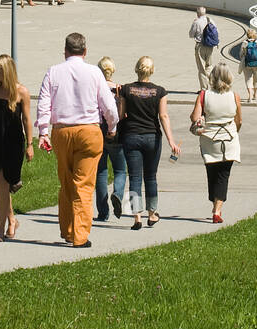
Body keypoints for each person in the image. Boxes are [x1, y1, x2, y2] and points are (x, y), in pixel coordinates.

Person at [36, 32, 119, 247]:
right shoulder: (94, 72)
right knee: (83, 184)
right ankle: (80, 236)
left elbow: (44, 103)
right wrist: (112, 126)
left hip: (62, 131)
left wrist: (43, 131)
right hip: (89, 130)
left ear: (65, 51)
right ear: (85, 51)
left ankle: (68, 230)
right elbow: (108, 104)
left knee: (66, 182)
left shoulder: (53, 71)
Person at [117, 56, 179, 231]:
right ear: (151, 71)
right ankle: (152, 213)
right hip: (152, 137)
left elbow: (121, 115)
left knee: (135, 177)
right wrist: (171, 140)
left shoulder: (127, 90)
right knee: (151, 176)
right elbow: (163, 116)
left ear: (136, 69)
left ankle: (137, 216)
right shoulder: (160, 91)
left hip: (131, 136)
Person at [0, 53, 33, 242]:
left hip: (12, 143)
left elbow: (26, 119)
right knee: (1, 188)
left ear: (6, 71)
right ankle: (6, 224)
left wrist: (30, 145)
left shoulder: (21, 92)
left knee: (4, 186)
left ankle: (5, 225)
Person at [191, 62, 242, 225]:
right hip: (229, 138)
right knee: (223, 174)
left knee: (212, 172)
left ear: (212, 77)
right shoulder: (234, 96)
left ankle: (215, 206)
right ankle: (217, 210)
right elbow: (239, 120)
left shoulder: (204, 95)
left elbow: (194, 117)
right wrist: (234, 131)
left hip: (209, 139)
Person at [95, 56, 126, 222]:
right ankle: (118, 193)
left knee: (100, 172)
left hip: (98, 133)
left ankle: (102, 212)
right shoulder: (119, 89)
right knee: (120, 170)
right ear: (112, 71)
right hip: (116, 134)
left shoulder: (95, 88)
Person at [190, 6, 217, 91]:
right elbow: (216, 32)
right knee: (209, 65)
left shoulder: (196, 22)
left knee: (201, 68)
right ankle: (213, 81)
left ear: (198, 13)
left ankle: (204, 89)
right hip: (210, 46)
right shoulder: (210, 20)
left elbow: (191, 34)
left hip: (200, 46)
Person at [238, 27, 257, 103]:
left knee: (248, 80)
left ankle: (250, 96)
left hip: (247, 64)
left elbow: (241, 55)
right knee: (255, 80)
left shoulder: (244, 42)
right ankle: (254, 95)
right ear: (255, 35)